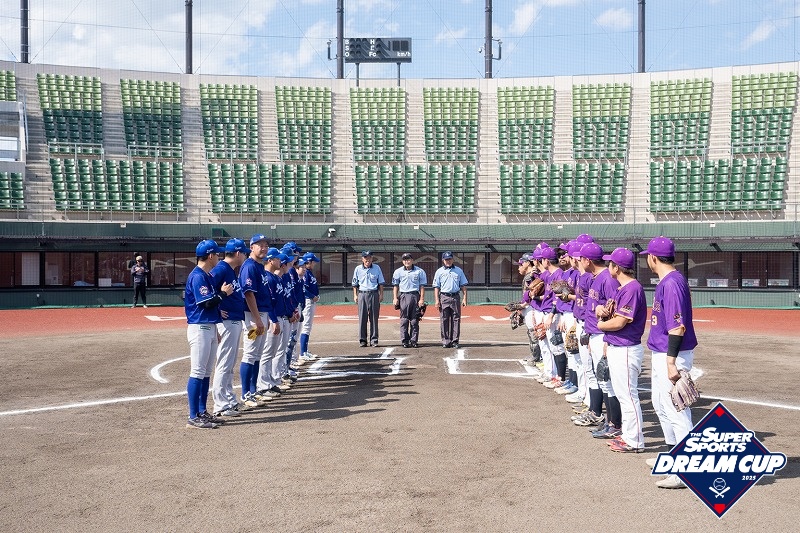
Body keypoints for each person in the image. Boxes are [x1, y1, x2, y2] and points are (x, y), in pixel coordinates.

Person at [641, 236, 698, 489]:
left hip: (672, 354)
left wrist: (671, 362)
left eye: (648, 256)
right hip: (663, 352)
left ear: (653, 258)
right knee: (661, 406)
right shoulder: (668, 281)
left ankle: (685, 472)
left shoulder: (672, 283)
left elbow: (677, 327)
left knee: (677, 411)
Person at [598, 248, 647, 453]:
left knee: (628, 396)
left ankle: (635, 441)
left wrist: (600, 325)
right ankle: (628, 436)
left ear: (616, 267)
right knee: (623, 395)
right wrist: (601, 312)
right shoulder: (623, 288)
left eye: (610, 263)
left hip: (626, 348)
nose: (607, 265)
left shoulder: (632, 288)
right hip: (618, 346)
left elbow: (619, 322)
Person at [184, 239, 233, 429]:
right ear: (210, 255)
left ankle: (202, 412)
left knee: (205, 373)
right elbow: (206, 303)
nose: (219, 257)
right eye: (217, 254)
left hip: (208, 326)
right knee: (197, 372)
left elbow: (210, 304)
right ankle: (193, 416)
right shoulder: (197, 276)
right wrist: (223, 294)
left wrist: (216, 319)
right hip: (199, 328)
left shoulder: (205, 276)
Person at [209, 238, 249, 418]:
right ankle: (220, 404)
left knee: (229, 364)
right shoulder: (221, 269)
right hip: (227, 322)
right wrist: (217, 309)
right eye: (244, 253)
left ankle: (229, 400)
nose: (245, 256)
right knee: (224, 363)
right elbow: (205, 289)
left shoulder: (229, 270)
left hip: (233, 320)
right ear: (238, 253)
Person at [238, 234, 272, 409]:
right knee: (250, 354)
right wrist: (258, 319)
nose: (264, 248)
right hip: (252, 316)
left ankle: (253, 390)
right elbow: (248, 294)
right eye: (260, 245)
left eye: (266, 245)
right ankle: (246, 394)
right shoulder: (249, 266)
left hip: (261, 315)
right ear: (251, 247)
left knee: (257, 354)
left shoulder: (259, 266)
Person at [432, 251, 468, 348]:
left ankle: (455, 341)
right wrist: (437, 300)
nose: (448, 261)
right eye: (446, 259)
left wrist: (464, 298)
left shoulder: (459, 271)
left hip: (455, 297)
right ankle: (446, 341)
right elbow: (436, 287)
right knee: (444, 319)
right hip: (444, 297)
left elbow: (463, 286)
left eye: (450, 259)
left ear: (453, 259)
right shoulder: (439, 271)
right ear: (443, 260)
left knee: (456, 319)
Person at [392, 253, 428, 348]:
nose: (406, 261)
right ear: (402, 261)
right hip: (403, 296)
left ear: (412, 260)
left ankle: (414, 340)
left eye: (408, 259)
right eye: (404, 260)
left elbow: (422, 286)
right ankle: (405, 340)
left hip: (415, 295)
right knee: (404, 320)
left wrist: (421, 299)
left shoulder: (419, 271)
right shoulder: (398, 272)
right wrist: (395, 298)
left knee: (414, 320)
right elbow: (395, 286)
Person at [352, 250, 385, 347]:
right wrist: (355, 295)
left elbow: (381, 283)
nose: (368, 260)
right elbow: (355, 284)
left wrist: (381, 294)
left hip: (374, 294)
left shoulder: (377, 268)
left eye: (369, 257)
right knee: (362, 318)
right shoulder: (358, 269)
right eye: (365, 257)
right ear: (362, 259)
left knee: (374, 318)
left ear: (372, 258)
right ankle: (363, 340)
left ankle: (374, 340)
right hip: (362, 294)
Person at [298, 251, 321, 363]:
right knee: (306, 326)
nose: (314, 264)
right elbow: (303, 289)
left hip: (311, 301)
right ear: (308, 262)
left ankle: (305, 351)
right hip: (307, 301)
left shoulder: (309, 273)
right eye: (313, 262)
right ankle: (303, 352)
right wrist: (312, 296)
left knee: (308, 326)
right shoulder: (305, 273)